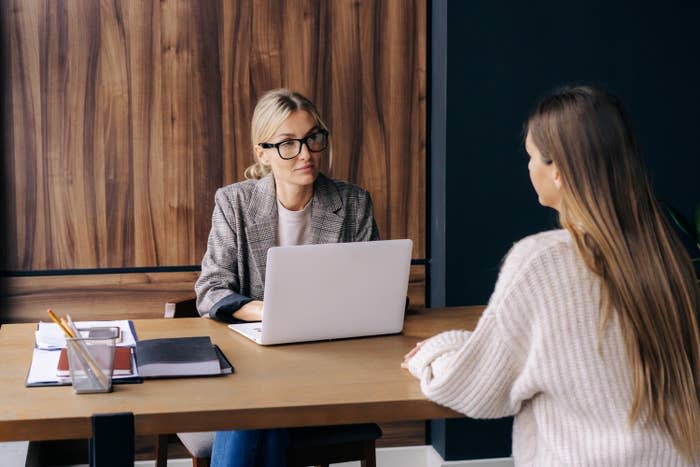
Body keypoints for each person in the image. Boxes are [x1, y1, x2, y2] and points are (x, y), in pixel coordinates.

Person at [403, 86, 700, 466]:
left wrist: (431, 353)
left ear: (557, 171)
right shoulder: (667, 256)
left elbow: (475, 386)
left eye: (532, 158)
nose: (528, 168)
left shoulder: (541, 261)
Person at [196, 88, 379, 467]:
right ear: (261, 152)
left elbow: (375, 290)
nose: (306, 154)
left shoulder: (352, 203)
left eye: (313, 138)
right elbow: (211, 291)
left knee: (256, 407)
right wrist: (267, 311)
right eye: (288, 144)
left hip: (331, 365)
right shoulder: (235, 203)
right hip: (254, 362)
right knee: (262, 404)